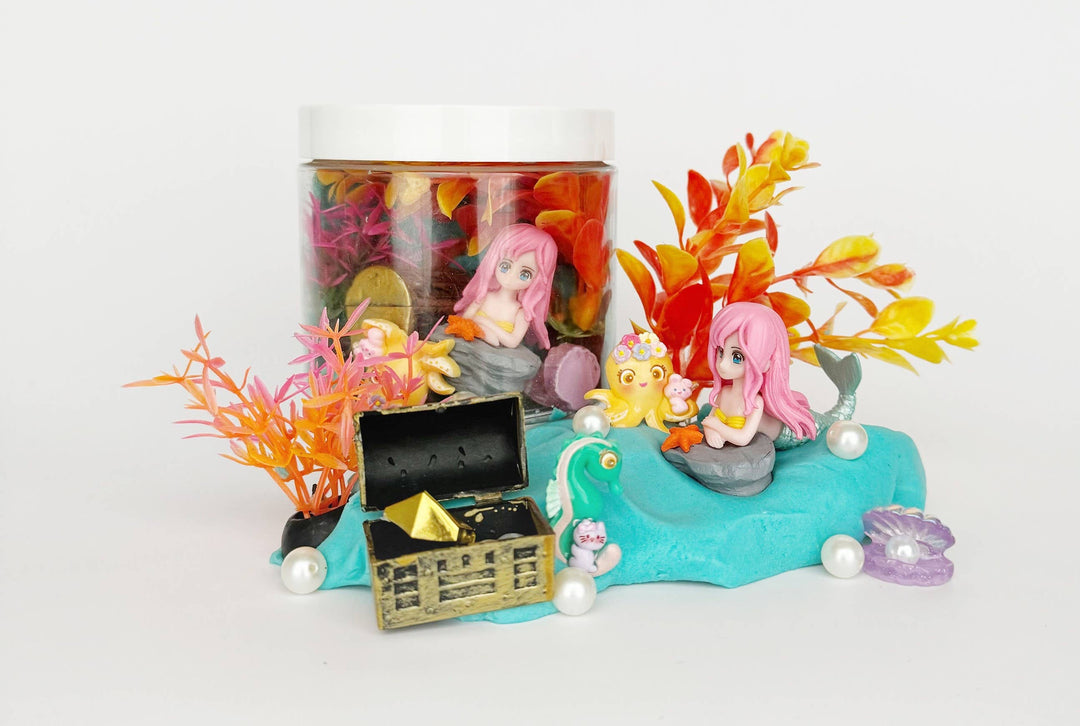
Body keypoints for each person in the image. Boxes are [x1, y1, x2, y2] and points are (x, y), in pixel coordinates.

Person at [702, 302, 816, 448]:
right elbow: (708, 421)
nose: (723, 364)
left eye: (737, 357)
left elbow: (742, 438)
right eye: (721, 351)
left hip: (791, 435)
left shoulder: (755, 402)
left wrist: (716, 426)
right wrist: (712, 431)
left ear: (765, 362)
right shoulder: (724, 393)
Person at [453, 223, 557, 349]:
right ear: (494, 261)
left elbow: (512, 342)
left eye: (525, 274)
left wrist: (484, 323)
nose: (511, 275)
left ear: (538, 280)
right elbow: (465, 320)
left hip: (498, 356)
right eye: (505, 266)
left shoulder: (520, 312)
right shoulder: (484, 297)